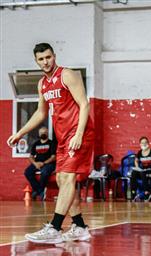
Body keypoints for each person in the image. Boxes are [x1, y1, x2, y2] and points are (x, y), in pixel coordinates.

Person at [7, 43, 94, 243]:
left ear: (54, 56)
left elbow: (84, 103)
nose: (46, 62)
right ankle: (79, 226)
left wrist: (79, 133)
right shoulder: (42, 84)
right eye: (41, 59)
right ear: (36, 61)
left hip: (78, 132)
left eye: (48, 57)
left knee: (68, 178)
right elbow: (41, 112)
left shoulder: (67, 75)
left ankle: (54, 228)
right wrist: (20, 132)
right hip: (62, 136)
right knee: (64, 180)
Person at [24, 126, 56, 200]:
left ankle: (38, 191)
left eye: (45, 132)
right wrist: (35, 163)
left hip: (49, 164)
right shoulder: (36, 144)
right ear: (39, 134)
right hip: (37, 163)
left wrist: (43, 163)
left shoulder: (51, 143)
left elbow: (53, 157)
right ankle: (40, 190)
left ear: (47, 133)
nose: (43, 133)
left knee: (44, 172)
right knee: (27, 172)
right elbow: (31, 156)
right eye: (41, 132)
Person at [130, 136, 151, 202]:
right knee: (133, 173)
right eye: (142, 143)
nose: (144, 144)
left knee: (143, 172)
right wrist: (137, 167)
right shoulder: (140, 152)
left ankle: (147, 193)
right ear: (140, 144)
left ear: (148, 143)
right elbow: (136, 160)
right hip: (143, 171)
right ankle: (133, 193)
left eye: (145, 142)